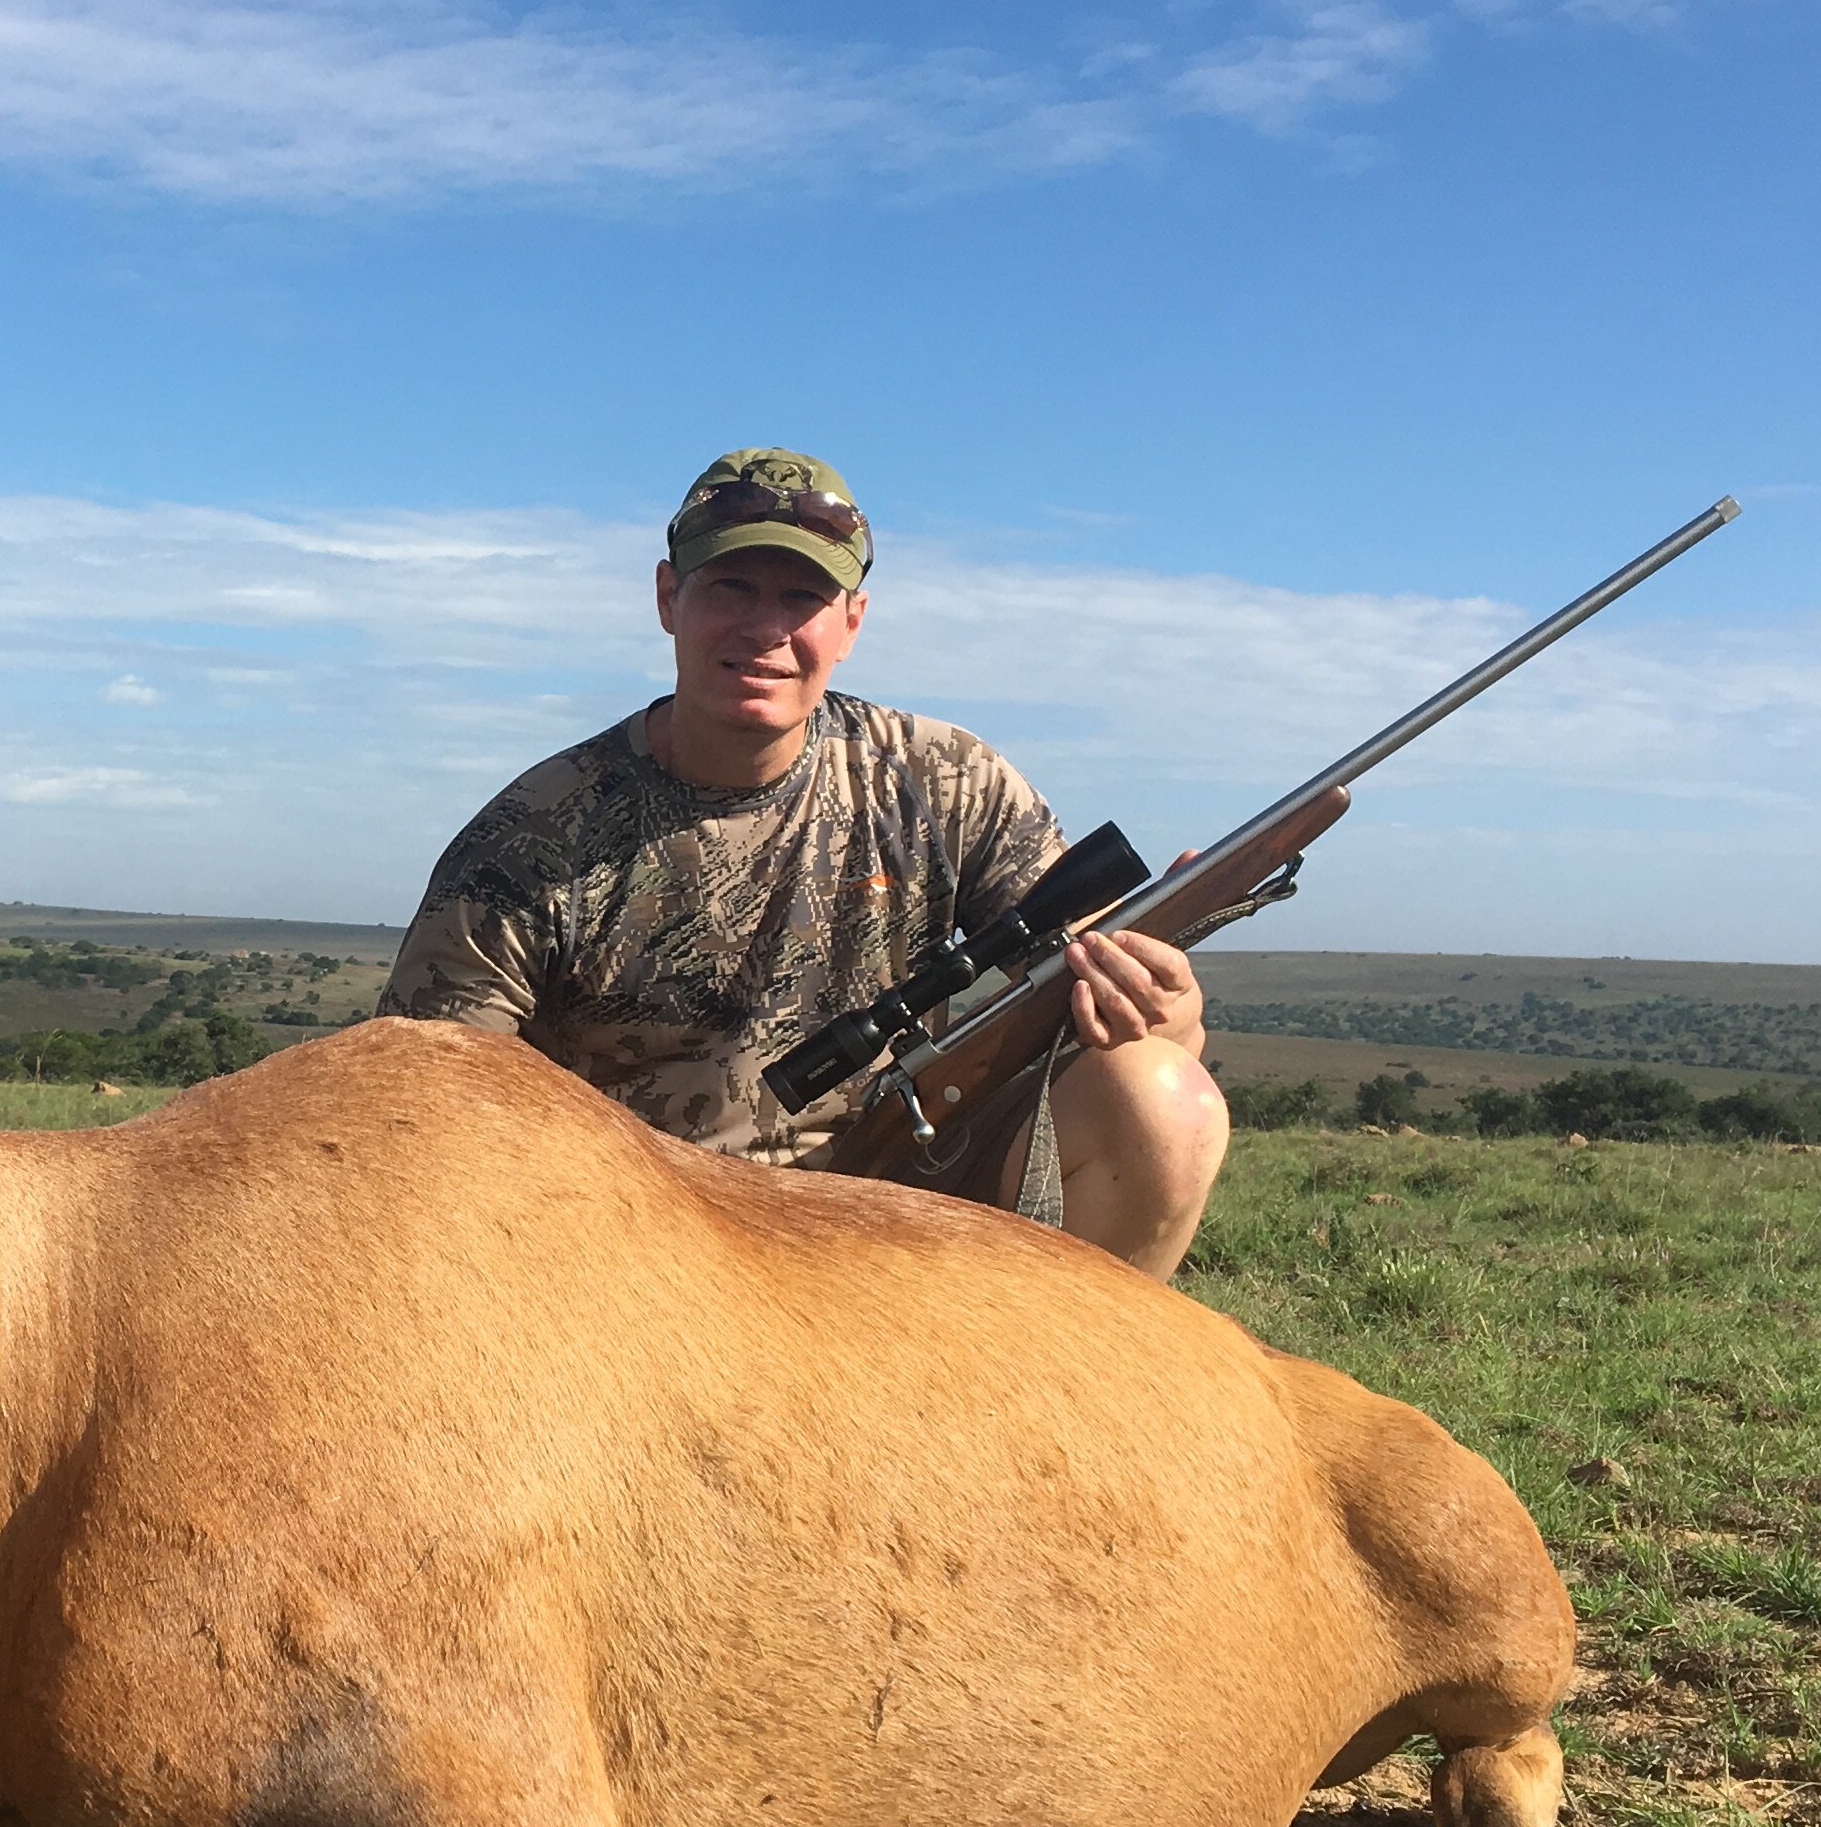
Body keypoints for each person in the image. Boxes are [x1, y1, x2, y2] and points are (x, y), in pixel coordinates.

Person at [378, 448, 1231, 1279]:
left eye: (803, 597)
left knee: (1164, 1102)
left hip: (900, 1199)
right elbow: (418, 1109)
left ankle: (1052, 1412)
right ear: (670, 597)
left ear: (851, 623)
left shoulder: (944, 781)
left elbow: (1103, 991)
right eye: (731, 588)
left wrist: (1168, 1007)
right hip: (631, 1247)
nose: (766, 630)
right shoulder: (535, 834)